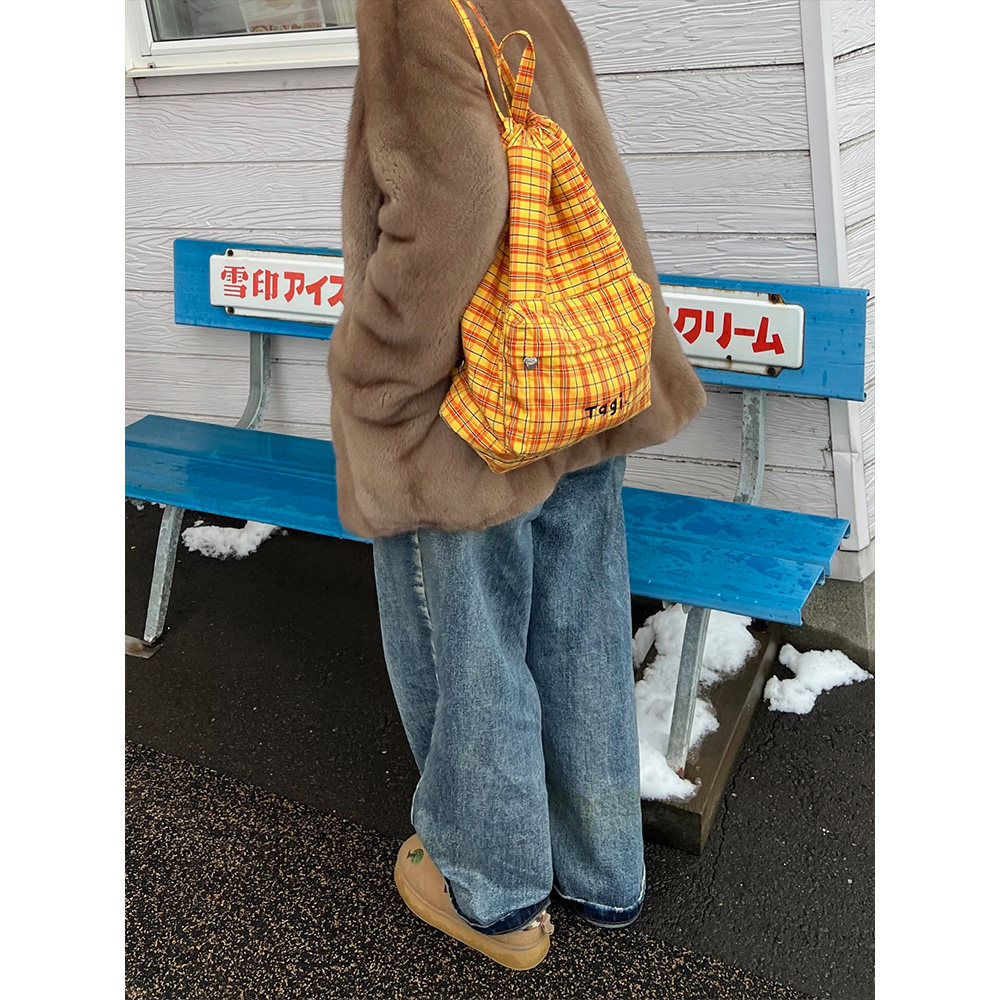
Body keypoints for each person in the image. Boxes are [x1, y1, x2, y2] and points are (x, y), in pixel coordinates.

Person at [327, 0, 706, 970]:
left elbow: (446, 206)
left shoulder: (409, 8)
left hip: (471, 407)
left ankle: (492, 891)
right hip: (575, 373)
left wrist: (374, 376)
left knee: (474, 647)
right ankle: (601, 869)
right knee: (579, 628)